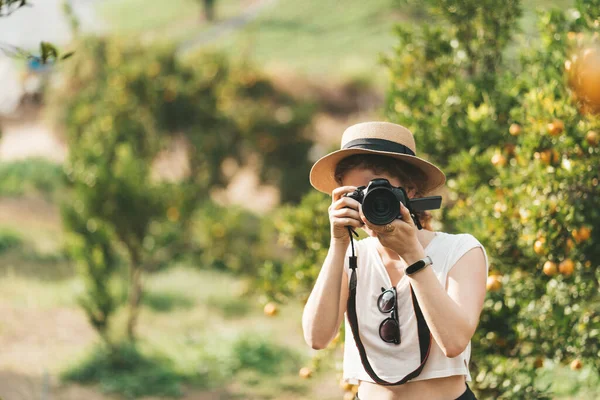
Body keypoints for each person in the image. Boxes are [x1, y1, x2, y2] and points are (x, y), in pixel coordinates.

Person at [303, 121, 488, 400]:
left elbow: (454, 343)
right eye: (356, 194)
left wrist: (413, 255)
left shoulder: (461, 250)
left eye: (378, 191)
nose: (367, 204)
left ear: (411, 192)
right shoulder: (352, 255)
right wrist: (338, 243)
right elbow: (317, 338)